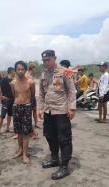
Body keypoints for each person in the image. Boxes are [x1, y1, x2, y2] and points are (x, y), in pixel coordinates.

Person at [38, 50, 76, 180]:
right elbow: (41, 93)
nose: (46, 62)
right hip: (48, 111)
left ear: (55, 58)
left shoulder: (65, 71)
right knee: (49, 135)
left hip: (61, 110)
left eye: (48, 59)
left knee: (64, 138)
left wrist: (72, 108)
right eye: (44, 60)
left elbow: (71, 90)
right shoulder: (43, 73)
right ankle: (55, 159)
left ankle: (64, 166)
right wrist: (39, 108)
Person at [10, 61, 35, 164]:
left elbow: (33, 95)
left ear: (25, 70)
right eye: (18, 69)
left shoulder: (30, 82)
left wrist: (28, 104)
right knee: (18, 131)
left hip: (27, 108)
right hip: (16, 108)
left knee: (25, 132)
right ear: (15, 70)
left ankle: (25, 154)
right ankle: (20, 150)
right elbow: (13, 95)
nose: (20, 71)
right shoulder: (12, 83)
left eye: (22, 69)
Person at [0, 67, 15, 137]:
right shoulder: (4, 79)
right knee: (2, 115)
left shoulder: (14, 79)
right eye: (14, 71)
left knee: (10, 115)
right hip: (6, 101)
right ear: (11, 72)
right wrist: (1, 96)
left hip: (12, 100)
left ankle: (7, 128)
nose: (15, 72)